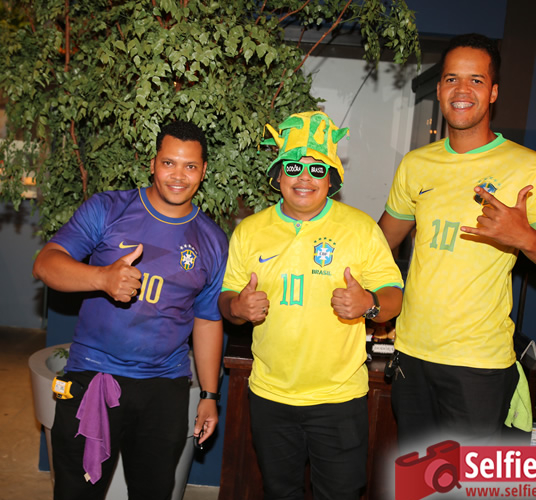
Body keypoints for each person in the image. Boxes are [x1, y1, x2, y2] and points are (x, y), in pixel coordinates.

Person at [378, 33, 536, 449]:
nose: (461, 90)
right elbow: (379, 243)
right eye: (451, 79)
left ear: (493, 92)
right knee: (416, 478)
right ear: (439, 89)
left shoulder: (529, 168)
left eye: (475, 80)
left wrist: (525, 237)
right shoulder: (416, 164)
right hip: (412, 358)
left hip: (477, 367)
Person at [32, 120, 228, 500]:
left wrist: (209, 395)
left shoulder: (212, 240)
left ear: (203, 171)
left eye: (190, 166)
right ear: (152, 164)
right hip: (93, 376)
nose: (178, 175)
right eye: (169, 163)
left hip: (164, 388)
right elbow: (46, 264)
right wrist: (101, 277)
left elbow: (207, 319)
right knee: (76, 493)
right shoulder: (109, 209)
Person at [219, 110, 404, 499]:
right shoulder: (249, 232)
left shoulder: (361, 229)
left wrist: (368, 304)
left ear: (331, 178)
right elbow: (226, 300)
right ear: (278, 175)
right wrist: (238, 307)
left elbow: (394, 298)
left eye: (317, 168)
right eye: (293, 167)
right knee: (279, 493)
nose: (304, 177)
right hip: (270, 395)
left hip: (339, 399)